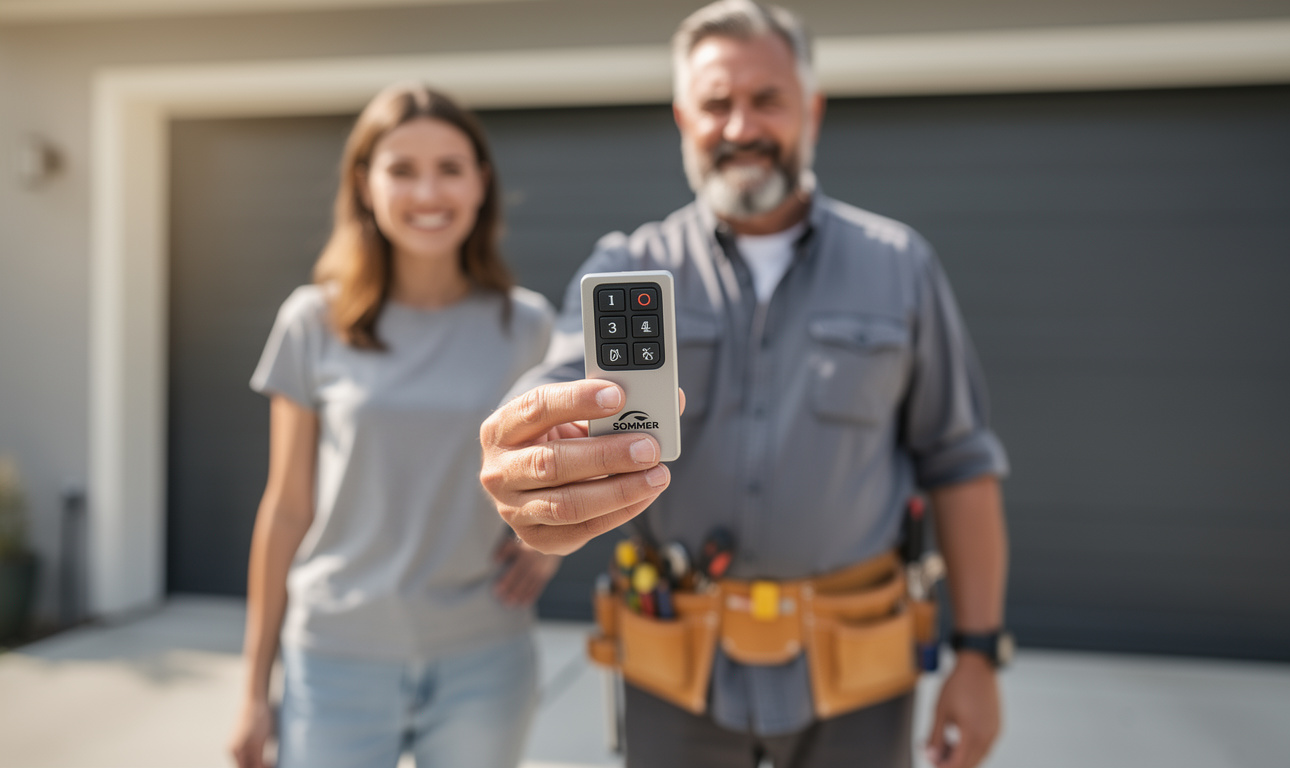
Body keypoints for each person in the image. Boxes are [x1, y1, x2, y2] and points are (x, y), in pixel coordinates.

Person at [479, 2, 1011, 768]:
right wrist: (528, 446)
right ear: (682, 118)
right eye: (716, 104)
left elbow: (960, 463)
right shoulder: (627, 267)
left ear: (812, 111)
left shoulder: (901, 266)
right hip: (675, 668)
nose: (739, 127)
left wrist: (979, 654)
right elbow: (559, 383)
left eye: (766, 100)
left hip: (857, 672)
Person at [229, 82, 558, 768]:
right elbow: (287, 509)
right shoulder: (312, 322)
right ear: (365, 184)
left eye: (449, 169)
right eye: (402, 170)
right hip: (335, 657)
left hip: (485, 657)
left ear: (480, 184)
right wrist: (254, 690)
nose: (428, 193)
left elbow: (563, 466)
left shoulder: (527, 326)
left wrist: (552, 542)